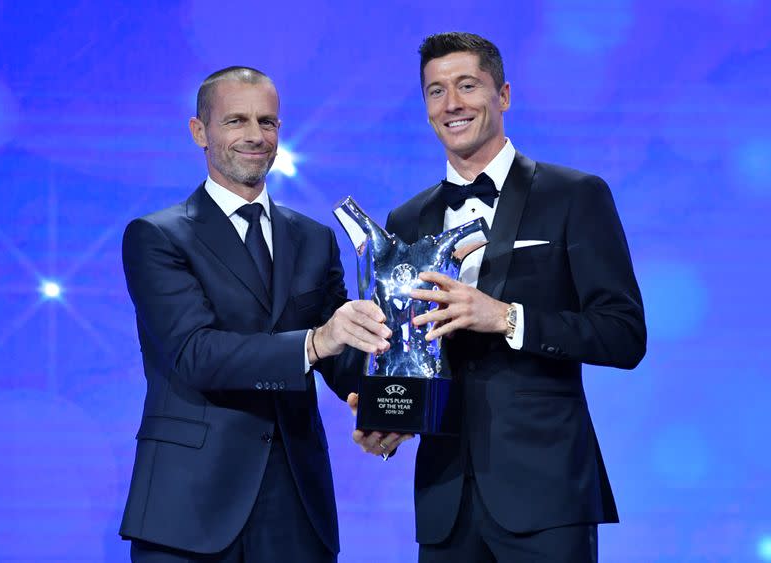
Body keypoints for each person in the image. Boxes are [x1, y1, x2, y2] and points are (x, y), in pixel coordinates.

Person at [349, 32, 647, 562]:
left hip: (546, 496)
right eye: (436, 91)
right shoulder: (405, 220)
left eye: (468, 86)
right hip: (444, 502)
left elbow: (623, 334)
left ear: (503, 95)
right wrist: (391, 416)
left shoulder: (575, 195)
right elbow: (408, 353)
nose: (452, 104)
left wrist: (507, 318)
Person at [119, 66, 389, 563]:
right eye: (236, 121)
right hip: (188, 509)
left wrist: (388, 405)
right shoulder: (156, 236)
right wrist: (313, 342)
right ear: (199, 132)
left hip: (296, 507)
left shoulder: (313, 238)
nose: (254, 136)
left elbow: (342, 358)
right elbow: (195, 354)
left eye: (267, 122)